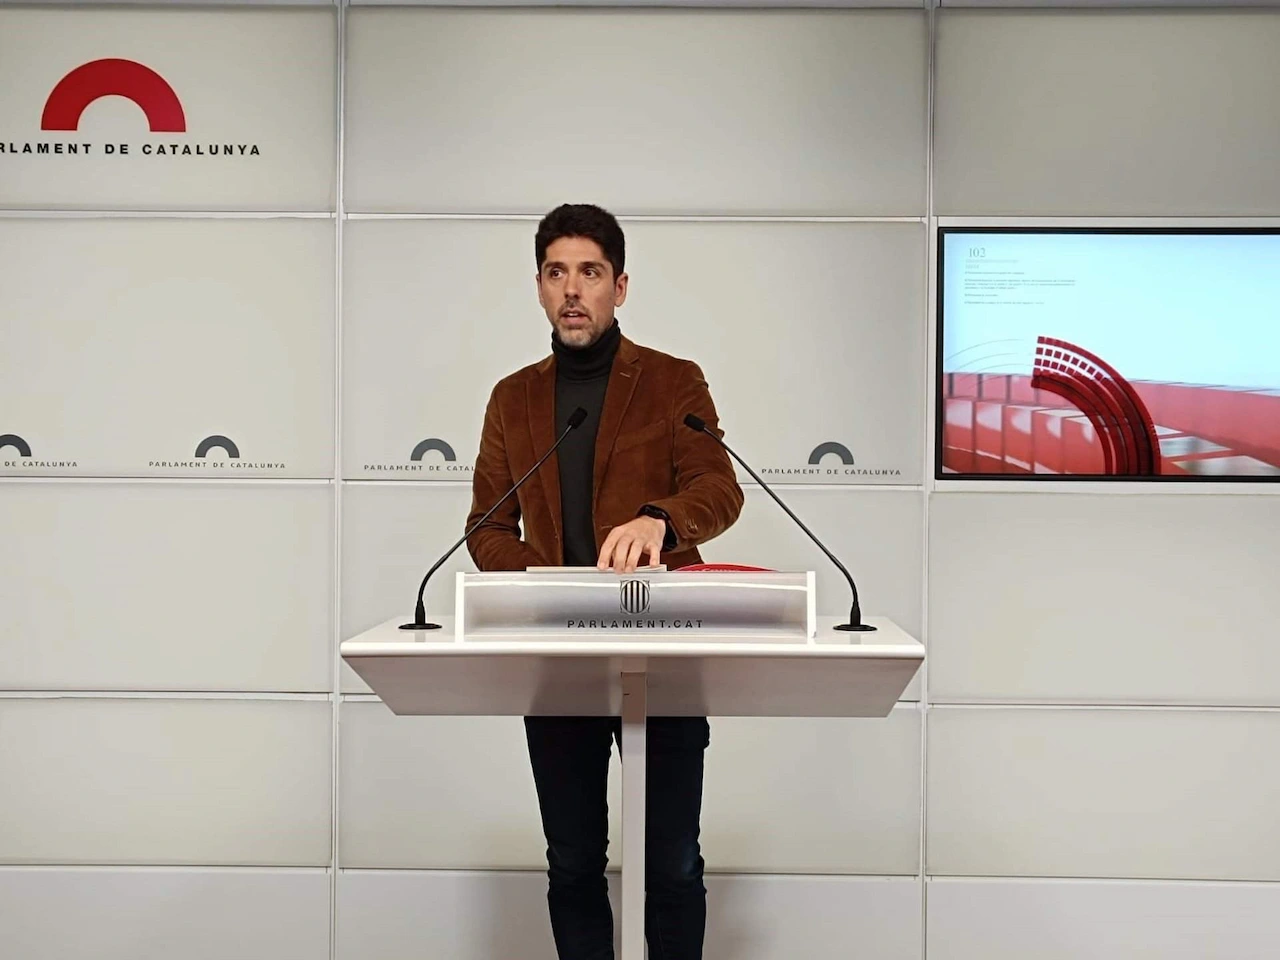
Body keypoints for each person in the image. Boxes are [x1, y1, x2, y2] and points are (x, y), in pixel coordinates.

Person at [465, 203, 744, 960]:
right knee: (574, 866)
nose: (573, 290)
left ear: (620, 286)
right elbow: (487, 528)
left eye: (589, 272)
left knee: (673, 866)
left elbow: (721, 491)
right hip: (559, 654)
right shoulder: (513, 398)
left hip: (667, 648)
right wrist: (552, 580)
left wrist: (659, 518)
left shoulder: (673, 382)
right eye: (557, 273)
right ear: (539, 286)